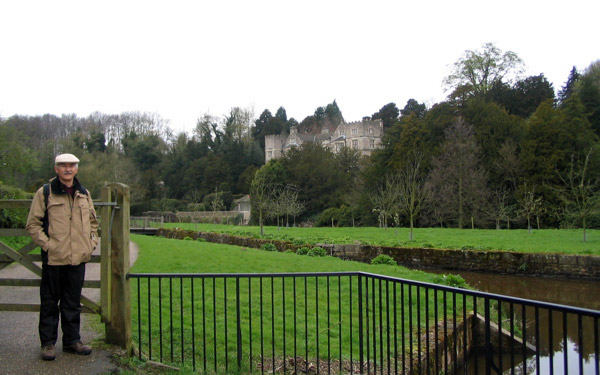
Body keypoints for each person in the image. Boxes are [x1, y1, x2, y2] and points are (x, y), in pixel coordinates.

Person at [26, 153, 99, 361]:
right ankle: (48, 344)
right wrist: (48, 246)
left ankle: (72, 342)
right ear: (56, 169)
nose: (68, 169)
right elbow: (33, 224)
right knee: (49, 302)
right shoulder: (45, 192)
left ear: (76, 169)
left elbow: (94, 223)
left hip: (78, 258)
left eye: (72, 166)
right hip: (54, 259)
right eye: (63, 166)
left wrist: (91, 242)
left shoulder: (84, 193)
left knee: (72, 302)